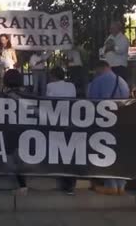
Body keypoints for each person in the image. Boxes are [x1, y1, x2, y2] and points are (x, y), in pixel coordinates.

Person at [88, 61, 130, 196]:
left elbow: (91, 100)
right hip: (122, 120)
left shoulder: (98, 81)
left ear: (99, 68)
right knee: (120, 153)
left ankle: (110, 185)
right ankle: (121, 186)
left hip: (104, 121)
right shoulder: (122, 81)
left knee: (106, 152)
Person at [46, 67, 77, 195]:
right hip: (70, 120)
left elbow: (48, 101)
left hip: (56, 121)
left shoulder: (50, 86)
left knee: (58, 149)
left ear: (53, 76)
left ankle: (61, 176)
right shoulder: (71, 86)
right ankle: (70, 183)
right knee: (69, 151)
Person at [2, 69, 28, 195]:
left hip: (11, 129)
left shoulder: (5, 94)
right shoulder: (26, 93)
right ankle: (23, 184)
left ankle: (22, 185)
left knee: (12, 158)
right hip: (24, 128)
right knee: (19, 158)